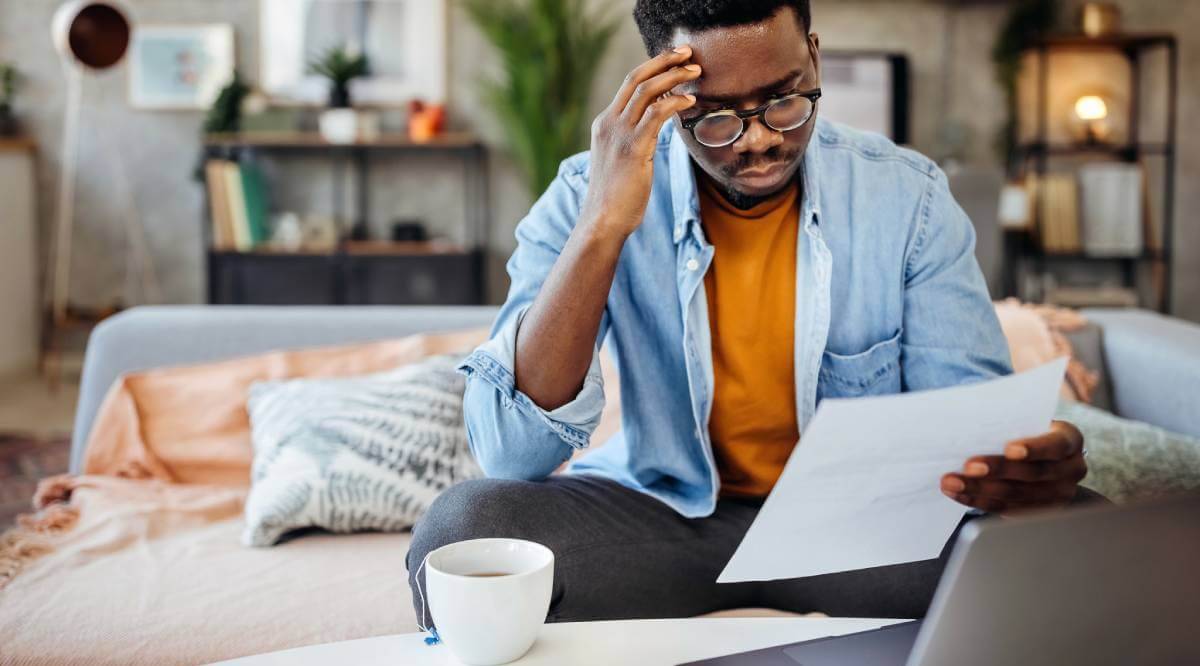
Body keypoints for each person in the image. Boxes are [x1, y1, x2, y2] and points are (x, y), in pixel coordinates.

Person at [408, 0, 1093, 623]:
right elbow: (509, 454)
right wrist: (602, 228)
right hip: (669, 525)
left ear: (815, 58)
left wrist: (1019, 466)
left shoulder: (906, 197)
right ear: (665, 95)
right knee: (466, 530)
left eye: (786, 100)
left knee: (1082, 536)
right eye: (715, 116)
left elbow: (964, 420)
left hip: (857, 531)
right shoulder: (588, 196)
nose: (760, 140)